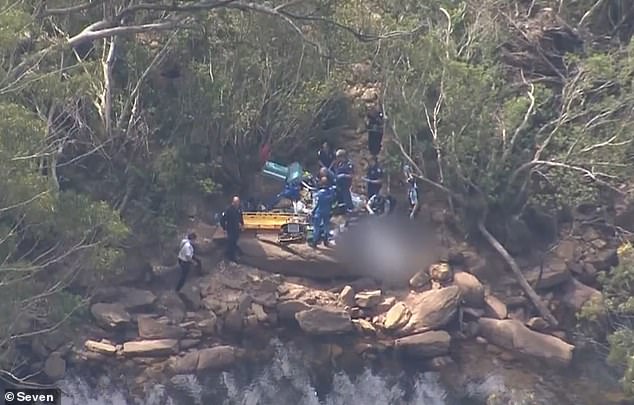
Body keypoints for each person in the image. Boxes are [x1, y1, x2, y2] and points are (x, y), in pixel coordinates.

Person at [310, 176, 335, 247]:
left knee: (316, 227)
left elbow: (317, 203)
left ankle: (315, 242)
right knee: (326, 226)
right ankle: (326, 241)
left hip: (319, 211)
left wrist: (313, 211)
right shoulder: (331, 192)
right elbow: (333, 201)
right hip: (327, 211)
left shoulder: (319, 193)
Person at [220, 196, 244, 262]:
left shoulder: (239, 209)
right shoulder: (228, 209)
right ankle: (231, 257)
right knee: (231, 243)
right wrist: (224, 228)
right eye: (236, 202)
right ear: (233, 202)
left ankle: (232, 255)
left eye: (238, 202)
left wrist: (242, 225)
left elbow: (241, 218)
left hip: (237, 230)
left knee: (234, 242)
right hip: (230, 229)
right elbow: (222, 219)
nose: (237, 203)